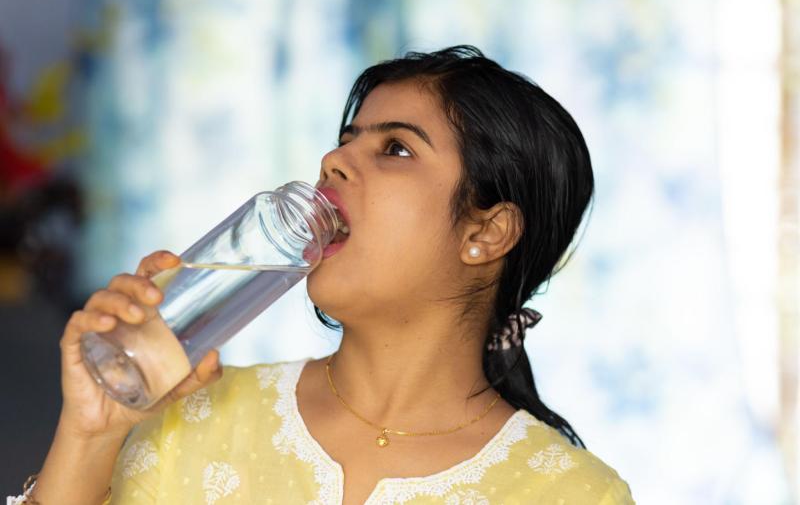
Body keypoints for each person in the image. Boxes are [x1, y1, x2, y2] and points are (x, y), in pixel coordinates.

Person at [11, 45, 635, 504]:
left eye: (395, 148)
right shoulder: (188, 420)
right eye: (345, 140)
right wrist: (90, 434)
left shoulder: (573, 494)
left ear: (486, 233)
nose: (333, 161)